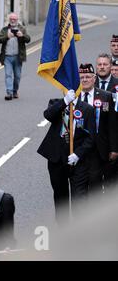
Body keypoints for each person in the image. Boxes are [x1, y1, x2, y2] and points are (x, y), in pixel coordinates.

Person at [37, 72, 95, 224]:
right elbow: (48, 115)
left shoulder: (87, 109)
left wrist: (78, 154)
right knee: (61, 197)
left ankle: (78, 231)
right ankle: (63, 231)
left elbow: (91, 138)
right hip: (57, 159)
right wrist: (65, 101)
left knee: (79, 198)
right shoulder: (56, 103)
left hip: (77, 161)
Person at [78, 63, 117, 193]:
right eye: (82, 77)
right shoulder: (72, 97)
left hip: (97, 148)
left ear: (94, 79)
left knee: (95, 185)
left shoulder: (105, 96)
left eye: (88, 77)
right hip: (78, 149)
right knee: (79, 188)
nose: (85, 80)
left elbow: (112, 125)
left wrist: (114, 149)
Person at [0, 13, 31, 100]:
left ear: (17, 20)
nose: (12, 20)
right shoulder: (5, 29)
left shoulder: (21, 29)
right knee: (8, 75)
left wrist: (22, 36)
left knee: (17, 76)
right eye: (11, 19)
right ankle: (9, 92)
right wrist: (7, 36)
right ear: (9, 20)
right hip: (7, 57)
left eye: (14, 19)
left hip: (18, 57)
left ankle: (15, 91)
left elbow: (28, 39)